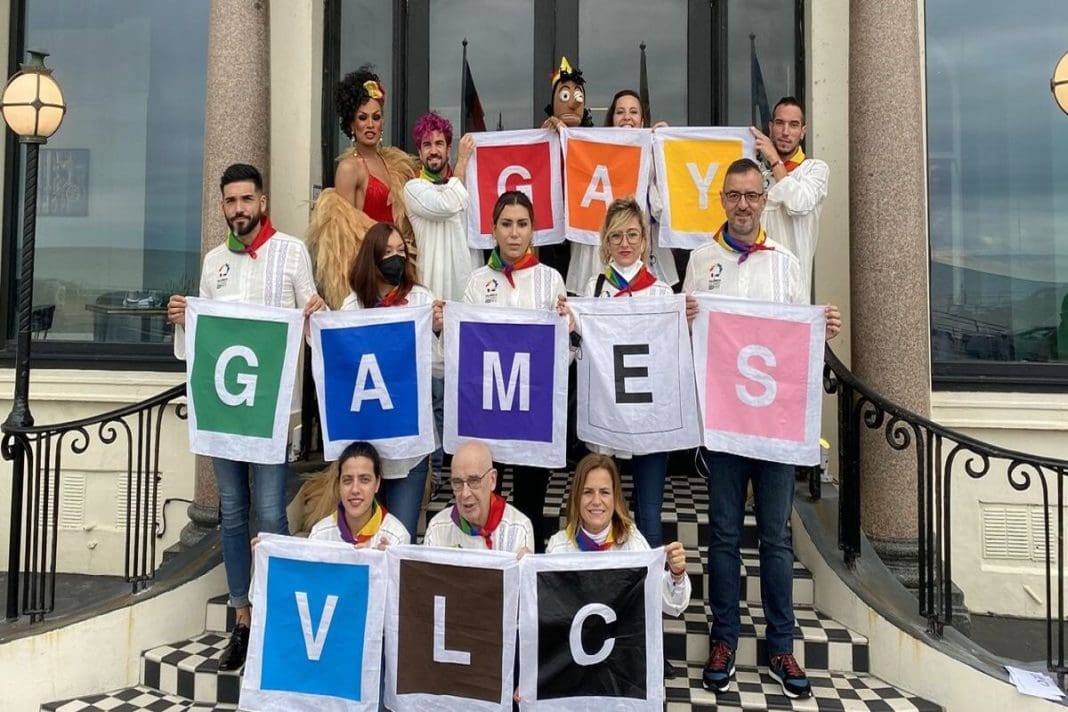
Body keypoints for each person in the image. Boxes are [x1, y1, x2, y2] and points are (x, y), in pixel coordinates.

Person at [682, 158, 841, 699]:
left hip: (774, 428)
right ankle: (723, 640)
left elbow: (796, 340)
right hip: (726, 426)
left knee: (775, 538)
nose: (744, 205)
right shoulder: (701, 260)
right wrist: (684, 319)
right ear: (722, 200)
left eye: (752, 195)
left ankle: (781, 645)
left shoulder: (786, 262)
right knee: (724, 536)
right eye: (734, 195)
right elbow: (690, 337)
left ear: (764, 200)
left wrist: (822, 328)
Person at [166, 163, 326, 671]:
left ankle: (276, 612)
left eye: (246, 199)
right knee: (232, 513)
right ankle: (242, 617)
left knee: (271, 515)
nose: (239, 209)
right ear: (223, 206)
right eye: (231, 201)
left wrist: (317, 314)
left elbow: (312, 329)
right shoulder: (214, 262)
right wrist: (184, 320)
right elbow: (205, 341)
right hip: (225, 413)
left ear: (262, 201)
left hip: (272, 413)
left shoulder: (292, 251)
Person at [452, 191, 567, 552]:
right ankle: (487, 574)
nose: (514, 233)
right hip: (489, 413)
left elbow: (561, 354)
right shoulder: (476, 281)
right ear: (493, 229)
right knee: (487, 504)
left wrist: (567, 327)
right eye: (506, 224)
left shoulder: (550, 279)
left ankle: (527, 576)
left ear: (533, 230)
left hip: (533, 414)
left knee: (531, 505)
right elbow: (464, 347)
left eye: (522, 224)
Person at [567, 198, 674, 549]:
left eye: (632, 234)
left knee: (649, 514)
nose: (625, 243)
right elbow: (576, 352)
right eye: (616, 236)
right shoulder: (593, 289)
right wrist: (569, 328)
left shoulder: (661, 293)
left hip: (649, 417)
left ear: (644, 239)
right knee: (598, 508)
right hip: (606, 412)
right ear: (606, 242)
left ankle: (649, 583)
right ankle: (600, 576)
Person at [336, 221, 442, 536]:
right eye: (387, 252)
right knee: (364, 536)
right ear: (371, 258)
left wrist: (438, 331)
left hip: (409, 446)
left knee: (401, 536)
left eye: (400, 251)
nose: (396, 258)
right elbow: (337, 361)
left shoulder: (421, 300)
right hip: (365, 442)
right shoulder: (352, 305)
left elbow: (439, 367)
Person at [307, 66, 419, 309]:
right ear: (351, 123)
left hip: (398, 273)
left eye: (376, 118)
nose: (370, 124)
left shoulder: (394, 164)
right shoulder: (349, 168)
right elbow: (343, 238)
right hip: (370, 277)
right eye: (362, 117)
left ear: (382, 123)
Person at [546, 454, 691, 616]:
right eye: (587, 492)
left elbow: (670, 605)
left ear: (615, 498)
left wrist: (676, 575)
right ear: (576, 497)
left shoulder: (631, 542)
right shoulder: (558, 547)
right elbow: (548, 611)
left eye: (604, 492)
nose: (596, 501)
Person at [565, 89, 678, 293]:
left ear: (642, 122)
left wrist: (666, 148)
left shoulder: (653, 153)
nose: (627, 117)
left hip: (642, 252)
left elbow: (670, 206)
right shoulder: (591, 151)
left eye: (633, 112)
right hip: (599, 251)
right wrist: (555, 134)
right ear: (611, 120)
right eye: (620, 112)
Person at [749, 96, 829, 298]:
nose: (785, 132)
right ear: (770, 128)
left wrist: (774, 159)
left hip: (791, 292)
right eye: (779, 123)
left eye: (793, 125)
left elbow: (798, 204)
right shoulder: (756, 173)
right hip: (753, 288)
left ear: (803, 132)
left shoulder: (814, 169)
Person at [403, 111, 481, 302]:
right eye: (427, 145)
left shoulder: (470, 186)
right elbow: (446, 204)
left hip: (468, 292)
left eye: (439, 143)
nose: (433, 150)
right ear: (419, 152)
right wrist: (462, 161)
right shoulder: (413, 188)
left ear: (448, 149)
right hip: (431, 295)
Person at [423, 440, 535, 553]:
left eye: (474, 481)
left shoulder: (518, 528)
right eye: (457, 482)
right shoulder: (437, 528)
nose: (465, 494)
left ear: (492, 480)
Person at [539, 56, 593, 282]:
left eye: (578, 96)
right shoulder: (541, 141)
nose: (572, 103)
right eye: (564, 96)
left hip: (585, 237)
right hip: (551, 237)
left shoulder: (597, 143)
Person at [306, 441, 411, 546]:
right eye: (347, 480)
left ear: (377, 483)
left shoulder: (397, 537)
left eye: (364, 480)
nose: (355, 489)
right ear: (339, 485)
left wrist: (389, 556)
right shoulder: (319, 535)